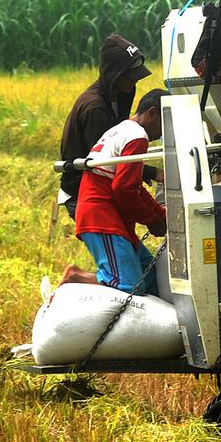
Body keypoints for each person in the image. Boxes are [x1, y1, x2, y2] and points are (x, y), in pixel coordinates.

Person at [60, 89, 169, 296]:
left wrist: (158, 211)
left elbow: (133, 186)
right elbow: (123, 189)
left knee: (151, 278)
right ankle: (76, 279)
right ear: (153, 113)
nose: (162, 134)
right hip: (102, 218)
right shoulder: (138, 137)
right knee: (128, 287)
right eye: (164, 124)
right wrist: (151, 219)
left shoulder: (123, 129)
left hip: (113, 220)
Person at [58, 34, 159, 220]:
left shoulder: (118, 95)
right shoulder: (95, 108)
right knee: (113, 241)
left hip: (103, 184)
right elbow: (108, 161)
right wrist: (154, 173)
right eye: (129, 78)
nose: (133, 83)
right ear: (114, 74)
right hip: (83, 190)